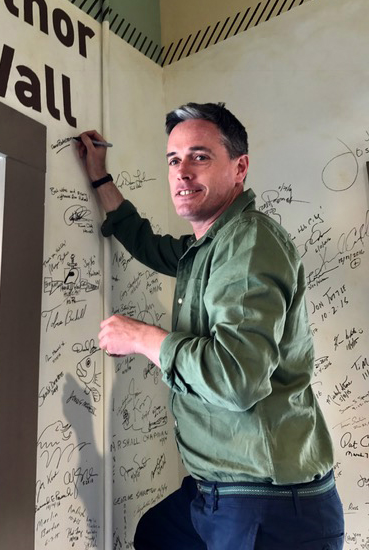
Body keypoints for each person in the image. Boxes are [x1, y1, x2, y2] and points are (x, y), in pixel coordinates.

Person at [76, 102, 344, 550]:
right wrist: (100, 178)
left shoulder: (249, 241)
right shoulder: (208, 247)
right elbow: (145, 242)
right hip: (214, 491)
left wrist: (142, 337)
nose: (182, 172)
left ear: (239, 169)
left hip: (269, 504)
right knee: (156, 534)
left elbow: (236, 377)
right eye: (173, 159)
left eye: (199, 156)